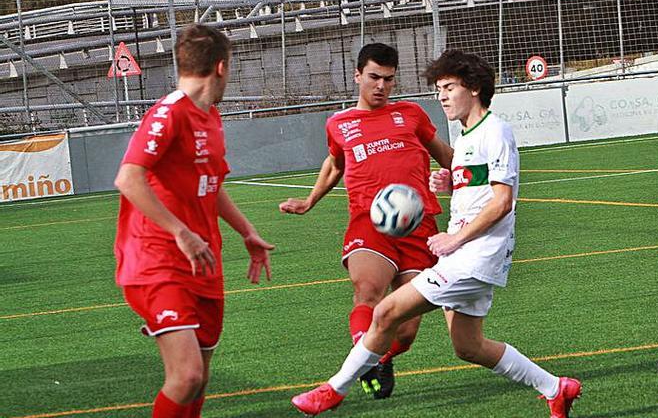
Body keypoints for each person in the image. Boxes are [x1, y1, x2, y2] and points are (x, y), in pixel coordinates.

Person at [290, 49, 582, 417]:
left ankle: (333, 391)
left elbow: (502, 202)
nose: (440, 96)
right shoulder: (467, 138)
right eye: (438, 89)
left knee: (385, 312)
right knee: (469, 347)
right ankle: (555, 388)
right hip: (468, 256)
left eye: (447, 87)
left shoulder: (496, 131)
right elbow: (478, 187)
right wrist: (451, 184)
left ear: (473, 88)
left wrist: (454, 239)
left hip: (473, 257)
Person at [114, 24, 275, 418]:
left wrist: (247, 232)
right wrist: (180, 232)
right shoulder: (167, 114)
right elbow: (128, 178)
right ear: (222, 67)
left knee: (199, 378)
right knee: (185, 376)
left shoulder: (211, 117)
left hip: (203, 262)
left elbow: (212, 183)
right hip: (157, 262)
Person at [279, 43, 453, 399]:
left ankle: (382, 357)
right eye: (374, 77)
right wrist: (310, 200)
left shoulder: (411, 114)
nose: (381, 86)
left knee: (405, 332)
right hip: (368, 222)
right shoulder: (339, 124)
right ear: (358, 75)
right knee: (368, 292)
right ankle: (366, 360)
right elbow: (335, 165)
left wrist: (464, 178)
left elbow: (448, 157)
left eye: (389, 80)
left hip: (419, 228)